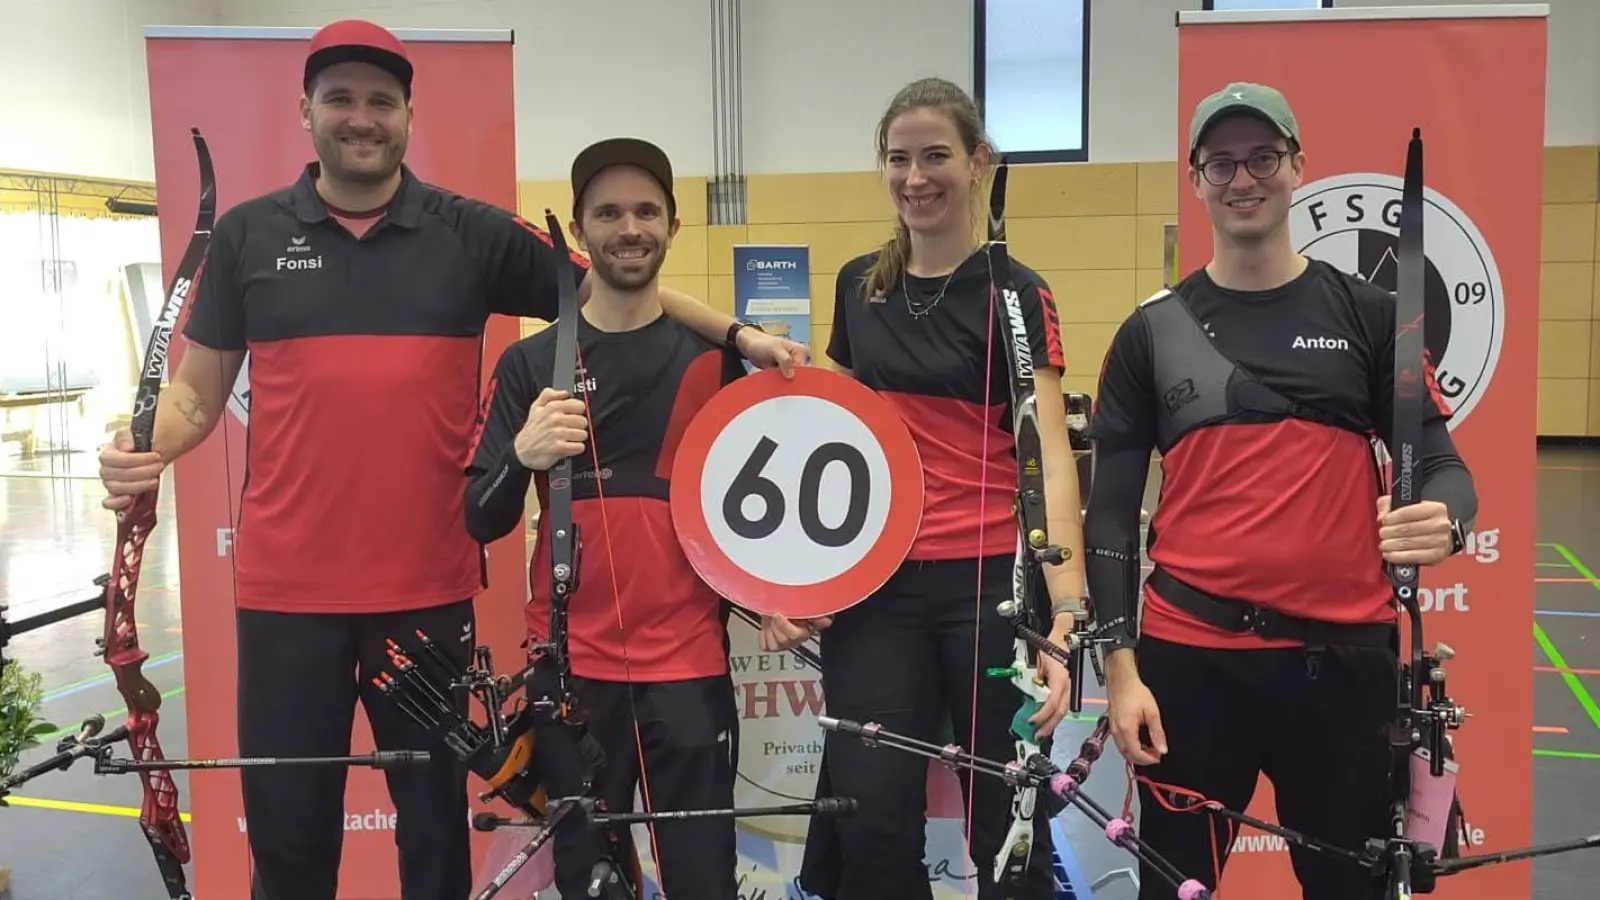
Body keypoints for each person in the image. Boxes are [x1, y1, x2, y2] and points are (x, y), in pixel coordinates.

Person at [93, 20, 801, 900]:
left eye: (380, 101)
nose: (361, 117)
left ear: (408, 116)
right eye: (341, 99)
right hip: (283, 596)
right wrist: (143, 447)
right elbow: (197, 395)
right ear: (305, 112)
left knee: (432, 837)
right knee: (288, 834)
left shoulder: (468, 234)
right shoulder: (247, 237)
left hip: (425, 594)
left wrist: (737, 335)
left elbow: (623, 283)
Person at [1082, 82, 1479, 900]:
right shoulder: (1149, 332)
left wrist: (1448, 522)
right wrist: (1120, 674)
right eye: (1220, 163)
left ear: (1297, 165)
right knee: (1175, 890)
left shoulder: (1373, 316)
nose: (1242, 179)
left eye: (1262, 157)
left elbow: (1444, 465)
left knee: (1349, 890)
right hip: (1191, 665)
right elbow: (1112, 515)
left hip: (1342, 668)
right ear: (1196, 179)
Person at [776, 76, 1087, 900]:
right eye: (899, 158)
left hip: (990, 588)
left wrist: (1065, 613)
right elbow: (835, 445)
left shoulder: (1018, 294)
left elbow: (1049, 457)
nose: (916, 176)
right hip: (875, 590)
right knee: (872, 819)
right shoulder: (859, 286)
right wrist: (794, 577)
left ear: (979, 161)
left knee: (1008, 820)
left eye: (936, 156)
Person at [464, 136, 746, 900]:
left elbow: (751, 517)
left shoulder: (715, 360)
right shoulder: (528, 365)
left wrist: (776, 597)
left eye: (647, 210)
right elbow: (478, 520)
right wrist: (523, 454)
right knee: (594, 884)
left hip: (689, 671)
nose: (631, 227)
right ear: (581, 233)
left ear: (673, 227)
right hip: (571, 677)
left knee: (703, 882)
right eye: (610, 212)